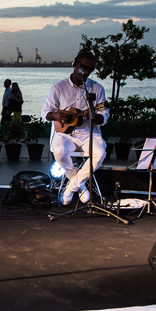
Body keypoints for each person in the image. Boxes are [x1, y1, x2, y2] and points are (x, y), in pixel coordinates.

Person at [42, 49, 110, 205]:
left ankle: (72, 186)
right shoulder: (58, 88)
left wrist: (94, 116)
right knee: (58, 151)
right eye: (83, 67)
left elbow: (104, 116)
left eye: (90, 69)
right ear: (75, 64)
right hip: (66, 134)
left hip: (89, 133)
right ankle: (81, 185)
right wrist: (57, 116)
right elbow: (46, 112)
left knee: (100, 152)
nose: (86, 72)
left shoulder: (97, 89)